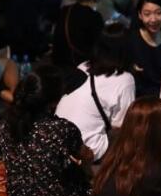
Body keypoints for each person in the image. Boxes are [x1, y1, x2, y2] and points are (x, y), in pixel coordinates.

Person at [0, 66, 91, 196]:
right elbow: (87, 155)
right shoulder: (62, 128)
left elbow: (1, 160)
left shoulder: (8, 126)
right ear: (54, 102)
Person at [56, 23, 135, 163]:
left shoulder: (84, 66)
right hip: (86, 149)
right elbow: (121, 124)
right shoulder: (125, 79)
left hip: (58, 141)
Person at [127, 0, 161, 98]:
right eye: (147, 14)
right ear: (140, 15)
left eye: (158, 13)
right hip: (138, 102)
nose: (153, 19)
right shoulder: (129, 40)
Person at [52, 0, 105, 68]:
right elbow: (98, 43)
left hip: (59, 60)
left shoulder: (66, 10)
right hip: (79, 63)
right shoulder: (94, 16)